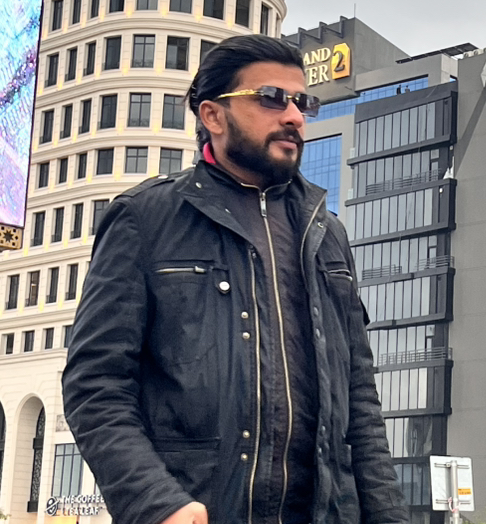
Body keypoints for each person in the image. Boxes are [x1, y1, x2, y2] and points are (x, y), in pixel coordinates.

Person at [62, 35, 408, 524]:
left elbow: (360, 402)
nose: (295, 116)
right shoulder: (145, 219)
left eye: (302, 102)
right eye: (272, 98)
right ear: (213, 115)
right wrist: (157, 504)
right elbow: (95, 385)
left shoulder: (327, 233)